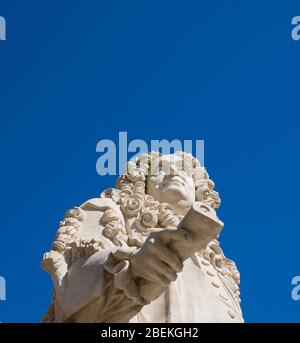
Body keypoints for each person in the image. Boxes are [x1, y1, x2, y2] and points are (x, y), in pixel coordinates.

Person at [41, 151, 243, 323]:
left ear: (198, 189)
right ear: (141, 183)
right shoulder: (108, 211)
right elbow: (71, 286)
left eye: (182, 169)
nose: (173, 172)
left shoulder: (220, 266)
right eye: (160, 169)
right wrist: (130, 268)